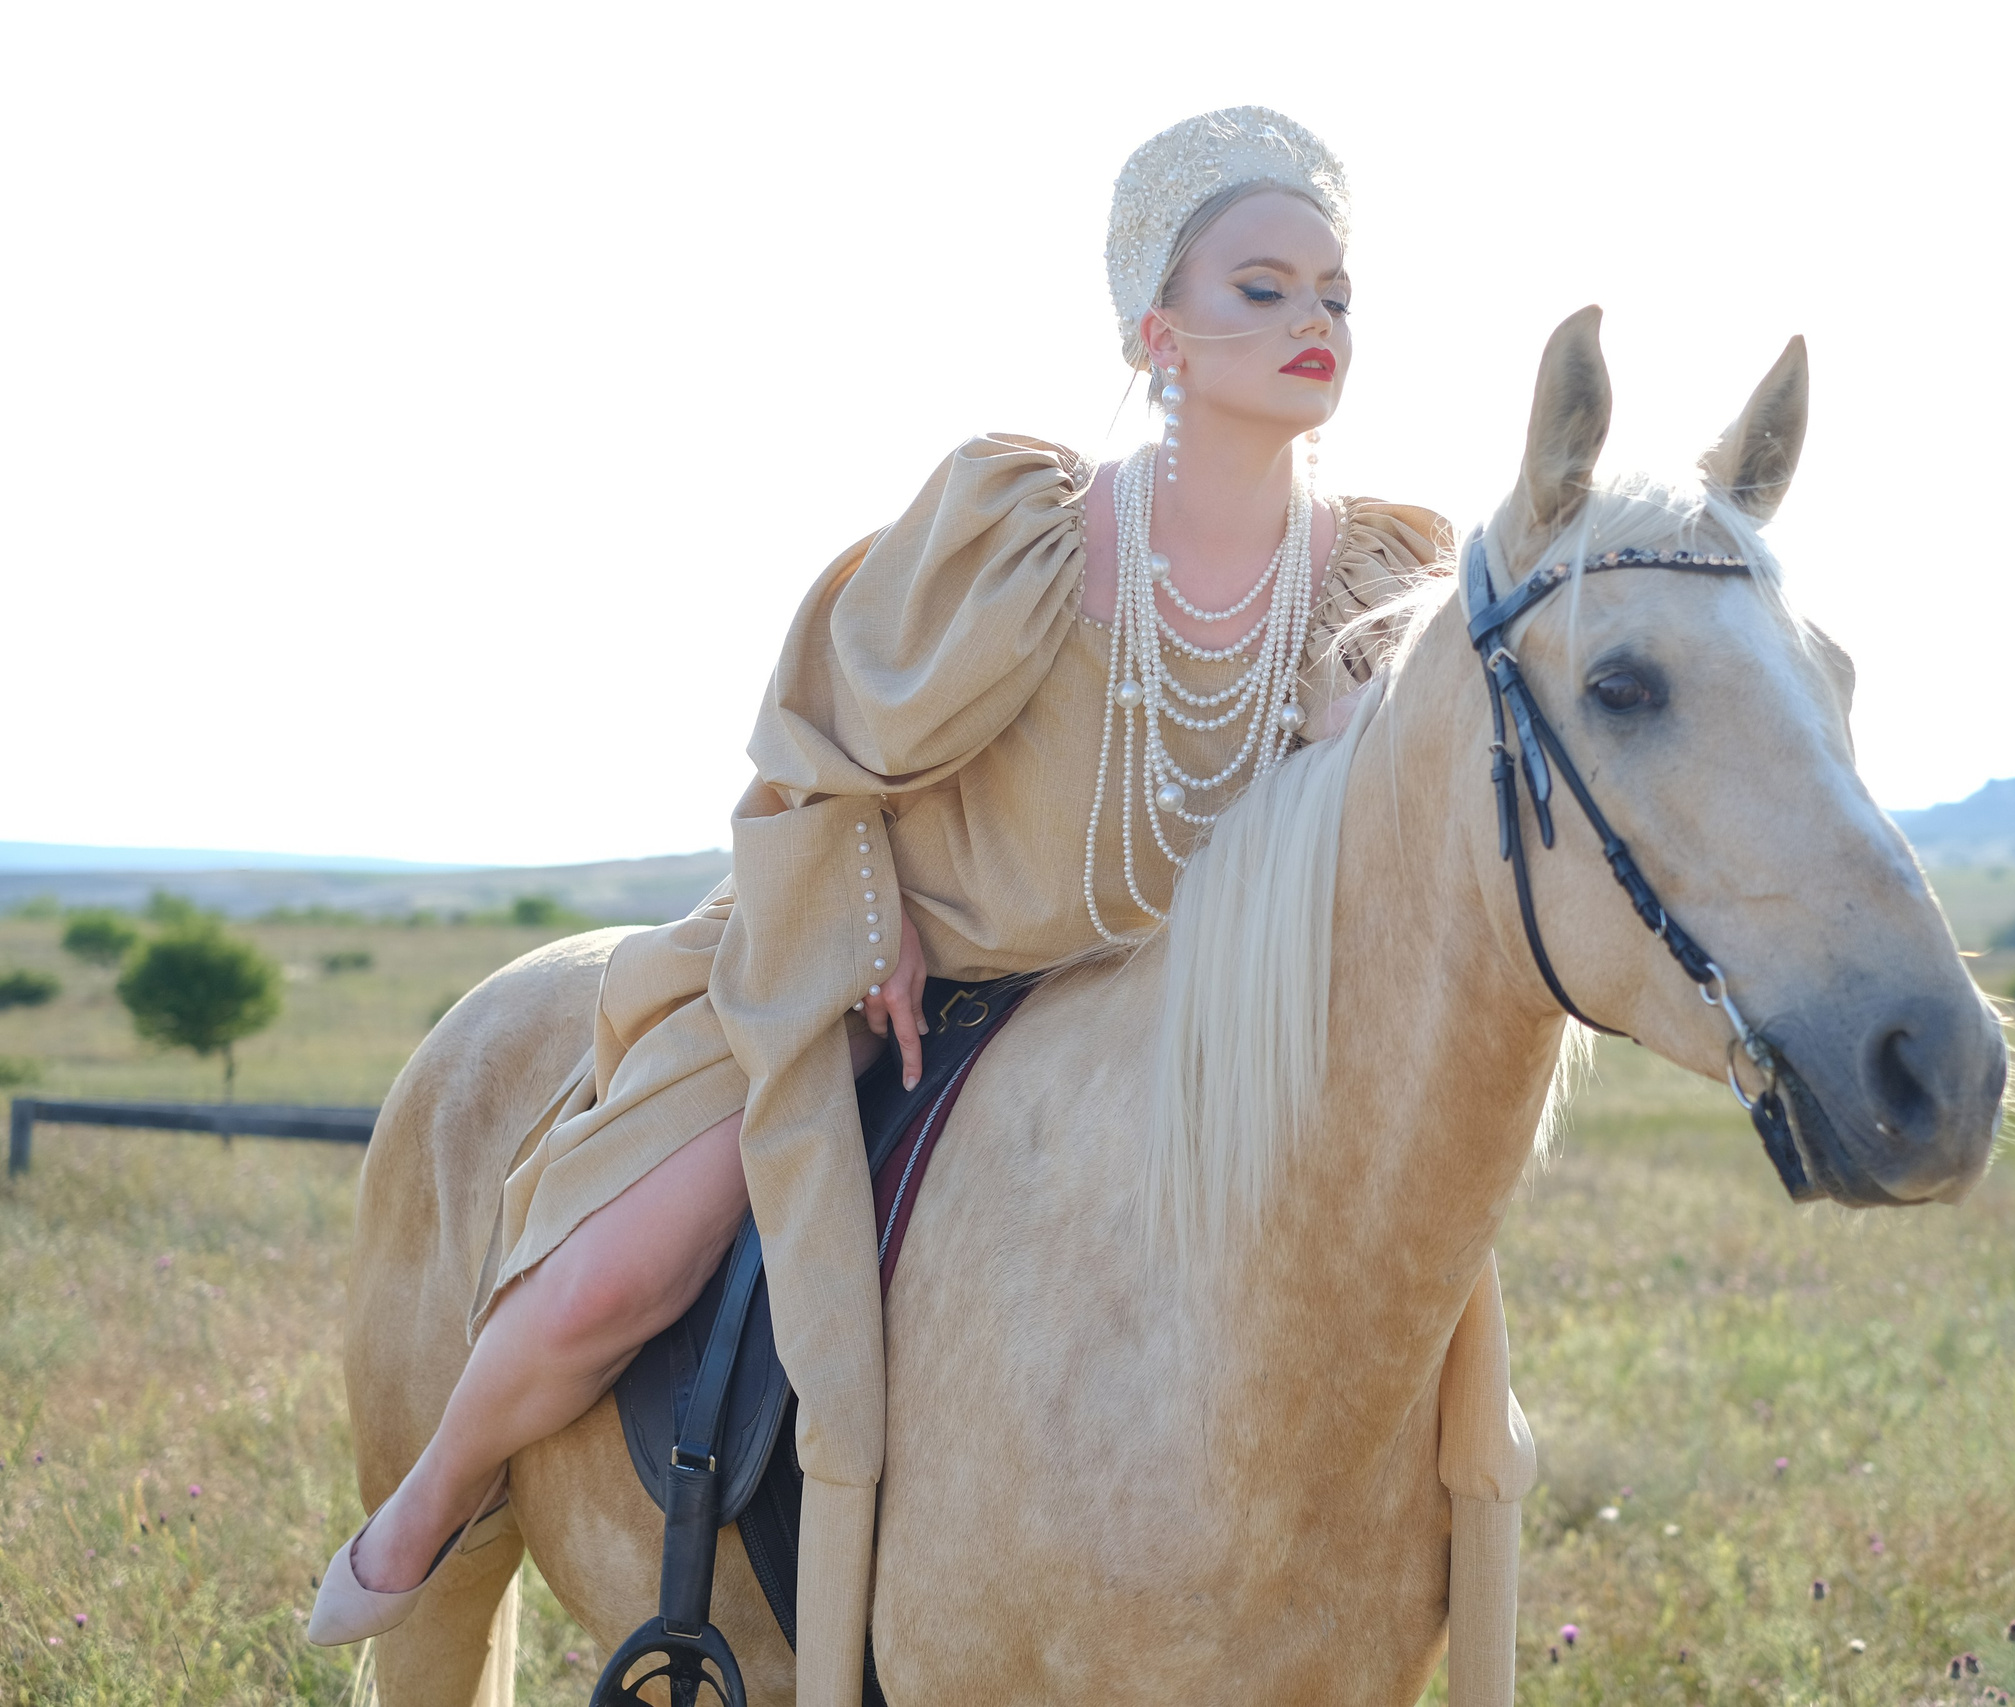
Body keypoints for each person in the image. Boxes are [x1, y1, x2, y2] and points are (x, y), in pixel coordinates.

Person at [311, 106, 1524, 1703]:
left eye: (1336, 296)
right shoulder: (1022, 533)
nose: (1315, 323)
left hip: (1172, 1049)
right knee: (622, 1273)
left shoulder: (1377, 580)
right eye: (1263, 289)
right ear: (1157, 333)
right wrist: (869, 918)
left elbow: (1385, 842)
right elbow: (816, 759)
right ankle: (434, 1496)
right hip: (902, 981)